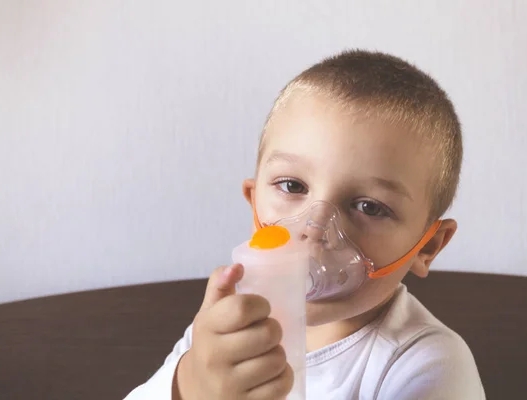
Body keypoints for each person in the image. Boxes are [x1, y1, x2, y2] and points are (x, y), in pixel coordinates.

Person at [125, 49, 485, 399]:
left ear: (428, 246)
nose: (315, 228)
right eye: (292, 186)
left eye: (369, 207)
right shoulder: (228, 330)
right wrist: (190, 387)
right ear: (253, 201)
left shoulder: (426, 365)